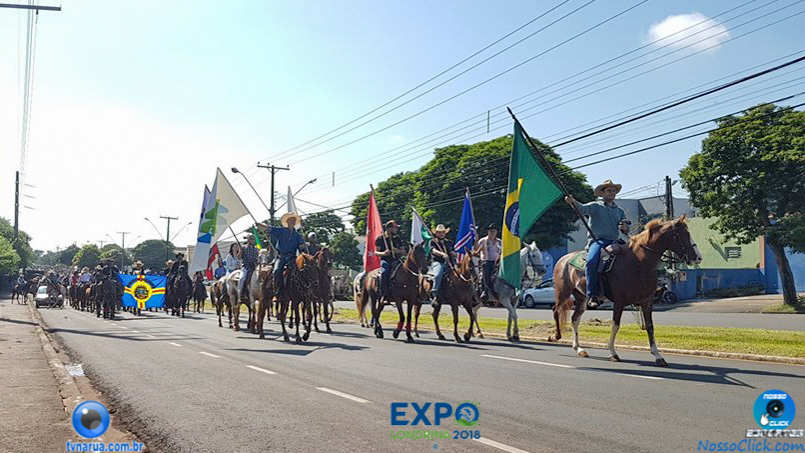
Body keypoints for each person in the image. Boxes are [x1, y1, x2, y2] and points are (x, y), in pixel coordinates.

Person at [565, 179, 629, 309]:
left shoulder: (620, 211)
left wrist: (624, 227)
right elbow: (582, 209)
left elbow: (625, 227)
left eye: (613, 190)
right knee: (592, 261)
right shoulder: (595, 206)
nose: (612, 192)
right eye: (609, 190)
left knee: (634, 257)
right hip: (598, 241)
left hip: (614, 241)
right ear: (602, 193)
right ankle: (592, 294)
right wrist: (573, 202)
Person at [257, 212, 305, 293]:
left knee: (303, 271)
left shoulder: (298, 235)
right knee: (276, 271)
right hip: (281, 257)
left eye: (294, 220)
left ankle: (302, 291)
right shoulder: (281, 231)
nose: (293, 222)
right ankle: (276, 291)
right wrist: (261, 226)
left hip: (293, 258)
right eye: (291, 220)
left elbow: (301, 246)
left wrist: (302, 246)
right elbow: (270, 229)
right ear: (287, 222)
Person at [374, 220, 407, 303]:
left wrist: (397, 251)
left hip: (397, 260)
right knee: (385, 273)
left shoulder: (398, 238)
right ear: (389, 228)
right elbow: (376, 252)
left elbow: (404, 252)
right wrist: (384, 253)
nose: (396, 230)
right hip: (386, 260)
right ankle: (383, 295)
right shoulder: (381, 239)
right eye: (395, 228)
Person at [428, 224, 456, 305]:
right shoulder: (433, 241)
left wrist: (454, 254)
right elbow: (433, 251)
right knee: (437, 275)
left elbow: (453, 251)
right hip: (438, 262)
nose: (441, 234)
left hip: (450, 263)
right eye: (439, 232)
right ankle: (435, 294)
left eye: (442, 232)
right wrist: (442, 254)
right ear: (436, 233)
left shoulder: (449, 242)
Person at [473, 223, 502, 300]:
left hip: (497, 262)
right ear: (488, 232)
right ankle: (485, 291)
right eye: (490, 231)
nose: (492, 233)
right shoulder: (482, 241)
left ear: (496, 232)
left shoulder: (500, 242)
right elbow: (476, 251)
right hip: (486, 261)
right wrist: (476, 240)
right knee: (486, 275)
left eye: (494, 231)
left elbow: (502, 252)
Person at [237, 235, 259, 301]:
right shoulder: (243, 248)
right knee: (242, 279)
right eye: (250, 239)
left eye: (253, 239)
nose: (252, 240)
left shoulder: (256, 249)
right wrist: (240, 251)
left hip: (254, 268)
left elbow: (257, 259)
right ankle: (240, 295)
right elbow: (239, 257)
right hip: (246, 267)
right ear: (248, 239)